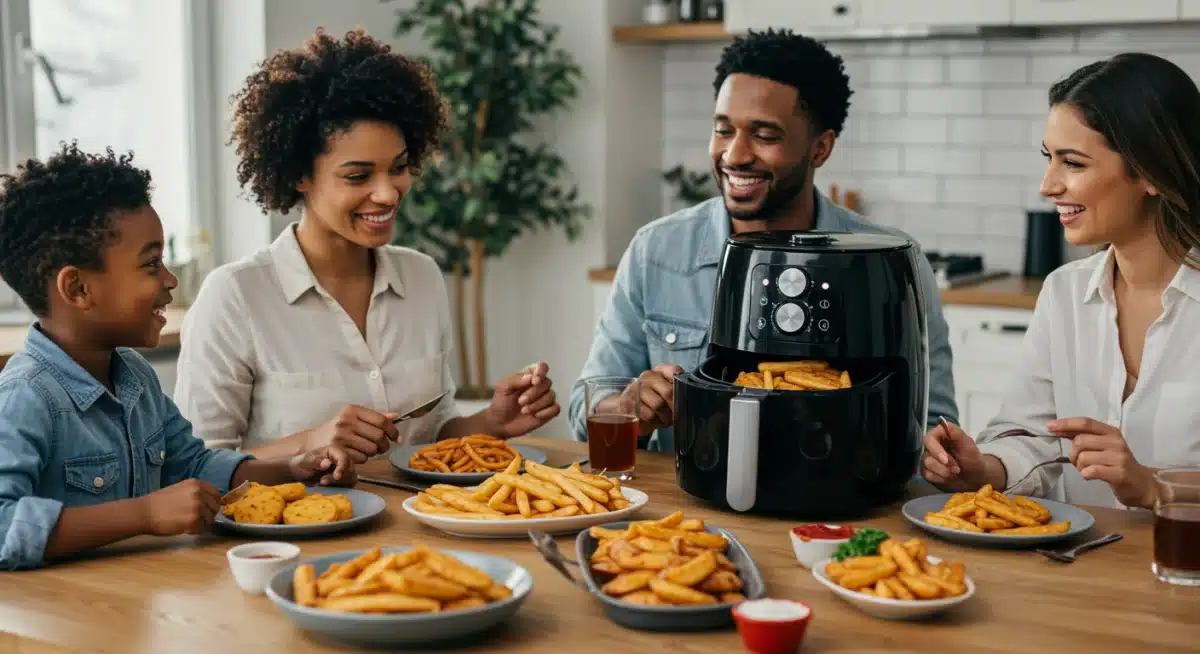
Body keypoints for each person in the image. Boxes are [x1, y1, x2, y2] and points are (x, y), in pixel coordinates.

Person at [174, 27, 560, 461]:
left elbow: (430, 434)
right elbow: (196, 468)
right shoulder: (235, 296)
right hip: (291, 511)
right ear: (299, 175)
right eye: (358, 176)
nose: (388, 193)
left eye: (398, 168)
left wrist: (490, 422)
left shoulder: (421, 277)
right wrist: (311, 442)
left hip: (416, 509)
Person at [569, 28, 956, 452]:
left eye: (765, 135)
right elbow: (585, 409)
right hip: (690, 493)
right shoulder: (656, 251)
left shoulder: (894, 262)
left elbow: (933, 423)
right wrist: (627, 407)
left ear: (821, 149)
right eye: (723, 130)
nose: (735, 155)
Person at [0, 143, 357, 571]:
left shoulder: (134, 375)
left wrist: (291, 469)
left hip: (137, 595)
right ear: (78, 289)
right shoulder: (24, 397)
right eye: (151, 265)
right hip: (72, 608)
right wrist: (145, 515)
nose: (170, 280)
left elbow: (194, 465)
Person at [922, 53, 1200, 510]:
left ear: (1151, 171)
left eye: (1072, 163)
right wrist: (982, 468)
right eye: (1049, 158)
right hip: (1078, 554)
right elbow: (1034, 439)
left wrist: (1154, 487)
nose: (1048, 185)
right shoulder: (1065, 292)